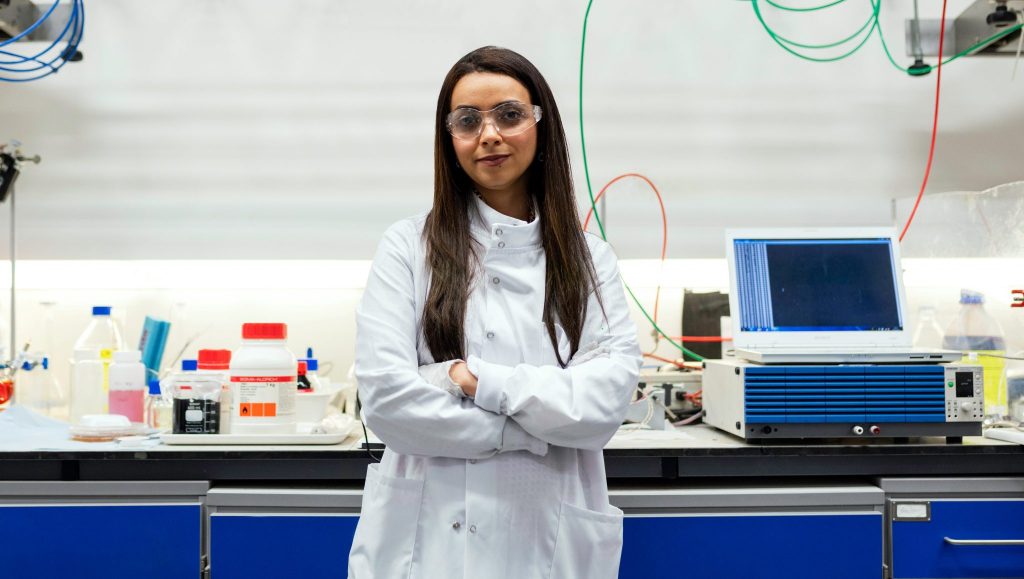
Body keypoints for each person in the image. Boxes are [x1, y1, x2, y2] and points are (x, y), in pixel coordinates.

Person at [349, 45, 641, 579]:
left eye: (508, 115)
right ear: (449, 137)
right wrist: (530, 430)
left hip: (547, 543)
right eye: (467, 120)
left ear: (539, 124)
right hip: (425, 545)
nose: (489, 134)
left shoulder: (589, 260)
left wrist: (471, 379)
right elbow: (388, 402)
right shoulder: (407, 247)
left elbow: (602, 406)